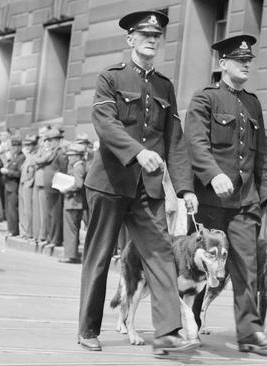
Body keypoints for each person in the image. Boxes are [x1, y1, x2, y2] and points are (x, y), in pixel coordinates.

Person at [78, 10, 199, 354]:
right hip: (109, 183)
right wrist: (136, 152)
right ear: (130, 39)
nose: (151, 40)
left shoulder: (165, 86)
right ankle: (88, 328)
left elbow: (175, 140)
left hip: (148, 189)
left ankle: (167, 334)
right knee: (99, 257)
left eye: (156, 36)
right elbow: (105, 122)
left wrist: (185, 187)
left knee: (161, 255)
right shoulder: (111, 78)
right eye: (144, 35)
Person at [184, 34, 267, 352]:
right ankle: (191, 326)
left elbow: (262, 156)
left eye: (248, 60)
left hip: (245, 201)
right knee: (204, 264)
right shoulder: (205, 99)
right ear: (222, 64)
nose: (245, 64)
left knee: (247, 266)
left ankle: (249, 333)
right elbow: (195, 143)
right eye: (239, 60)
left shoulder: (252, 103)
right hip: (211, 201)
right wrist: (213, 175)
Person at [39, 128, 67, 251]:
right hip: (49, 188)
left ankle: (56, 239)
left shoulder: (60, 153)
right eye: (48, 140)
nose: (49, 143)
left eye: (51, 140)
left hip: (56, 188)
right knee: (50, 214)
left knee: (55, 215)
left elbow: (64, 171)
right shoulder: (51, 153)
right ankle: (51, 237)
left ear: (57, 141)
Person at [59, 143, 87, 264]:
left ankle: (71, 255)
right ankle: (70, 253)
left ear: (77, 156)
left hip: (73, 202)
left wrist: (66, 189)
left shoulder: (78, 167)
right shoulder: (78, 166)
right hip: (74, 202)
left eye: (71, 155)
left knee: (71, 229)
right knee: (72, 228)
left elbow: (78, 184)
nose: (69, 158)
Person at [1, 136, 25, 237]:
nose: (14, 148)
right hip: (8, 185)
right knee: (8, 209)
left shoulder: (21, 157)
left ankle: (14, 230)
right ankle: (10, 228)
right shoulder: (13, 157)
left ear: (20, 147)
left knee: (13, 209)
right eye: (13, 146)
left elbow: (19, 173)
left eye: (16, 146)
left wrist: (8, 172)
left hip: (14, 185)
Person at [32, 126, 50, 244]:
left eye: (43, 133)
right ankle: (38, 234)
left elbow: (43, 159)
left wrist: (38, 160)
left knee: (44, 210)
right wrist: (38, 159)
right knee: (37, 210)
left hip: (45, 181)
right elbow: (36, 159)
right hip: (38, 179)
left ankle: (44, 234)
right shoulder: (41, 147)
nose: (42, 135)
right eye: (40, 133)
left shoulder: (50, 148)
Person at [19, 135, 38, 240]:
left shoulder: (34, 156)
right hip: (23, 182)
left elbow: (32, 171)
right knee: (23, 209)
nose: (28, 147)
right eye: (27, 145)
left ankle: (29, 232)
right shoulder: (28, 156)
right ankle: (25, 231)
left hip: (28, 183)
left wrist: (30, 182)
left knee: (28, 210)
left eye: (30, 145)